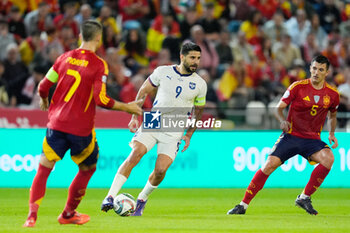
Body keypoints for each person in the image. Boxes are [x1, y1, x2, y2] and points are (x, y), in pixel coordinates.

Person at [23, 20, 142, 228]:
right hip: (80, 129)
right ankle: (68, 213)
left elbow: (43, 86)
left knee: (44, 168)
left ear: (80, 37)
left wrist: (44, 99)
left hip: (56, 125)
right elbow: (101, 100)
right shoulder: (98, 65)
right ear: (99, 38)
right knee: (87, 168)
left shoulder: (63, 58)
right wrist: (128, 107)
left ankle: (31, 217)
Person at [101, 42, 207, 216]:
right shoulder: (163, 72)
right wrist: (135, 116)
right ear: (182, 57)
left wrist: (189, 135)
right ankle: (110, 197)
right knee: (135, 154)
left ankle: (142, 199)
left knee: (160, 170)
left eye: (198, 58)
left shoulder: (200, 84)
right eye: (192, 58)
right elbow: (144, 90)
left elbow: (198, 112)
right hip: (154, 119)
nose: (196, 62)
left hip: (175, 127)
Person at [227, 55, 339, 216]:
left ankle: (304, 197)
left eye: (321, 69)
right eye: (314, 68)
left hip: (312, 139)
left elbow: (333, 115)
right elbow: (278, 108)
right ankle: (242, 205)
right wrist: (282, 121)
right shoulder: (297, 87)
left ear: (327, 72)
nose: (316, 72)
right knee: (268, 165)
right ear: (310, 69)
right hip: (291, 136)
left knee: (329, 159)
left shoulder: (333, 94)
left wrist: (332, 133)